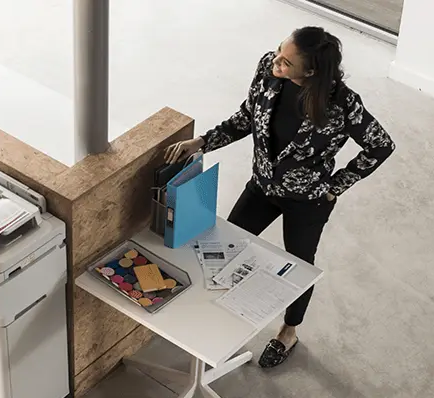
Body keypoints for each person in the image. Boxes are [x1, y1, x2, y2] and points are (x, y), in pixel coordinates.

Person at [164, 26, 395, 368]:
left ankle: (289, 331)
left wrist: (337, 185)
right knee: (220, 250)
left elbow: (381, 145)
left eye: (287, 61)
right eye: (278, 52)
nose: (276, 62)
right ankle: (216, 323)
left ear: (311, 72)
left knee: (300, 267)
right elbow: (246, 118)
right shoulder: (267, 70)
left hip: (307, 200)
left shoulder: (343, 106)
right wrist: (202, 142)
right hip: (261, 187)